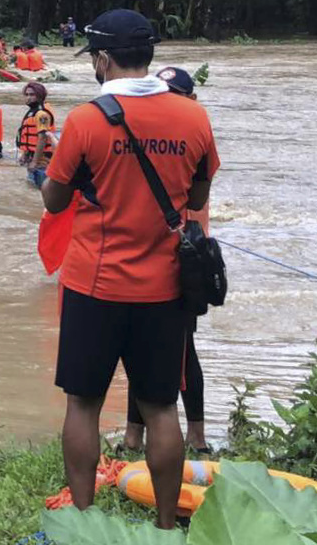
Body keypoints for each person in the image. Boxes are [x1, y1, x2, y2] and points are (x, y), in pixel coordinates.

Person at [40, 9, 219, 530]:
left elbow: (54, 202)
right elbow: (198, 195)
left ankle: (82, 520)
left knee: (84, 403)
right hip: (164, 287)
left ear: (102, 58)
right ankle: (167, 525)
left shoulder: (86, 120)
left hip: (94, 285)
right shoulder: (193, 117)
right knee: (162, 407)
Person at [124, 65, 209, 454]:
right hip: (145, 253)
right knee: (136, 347)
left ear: (190, 99)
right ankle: (132, 435)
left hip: (184, 256)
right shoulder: (164, 129)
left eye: (174, 94)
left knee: (182, 349)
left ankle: (196, 435)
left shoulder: (194, 130)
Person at [17, 81, 57, 188]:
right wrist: (25, 154)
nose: (28, 98)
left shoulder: (41, 114)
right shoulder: (31, 113)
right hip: (33, 161)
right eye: (26, 95)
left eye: (32, 95)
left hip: (42, 163)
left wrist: (34, 162)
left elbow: (42, 138)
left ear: (40, 96)